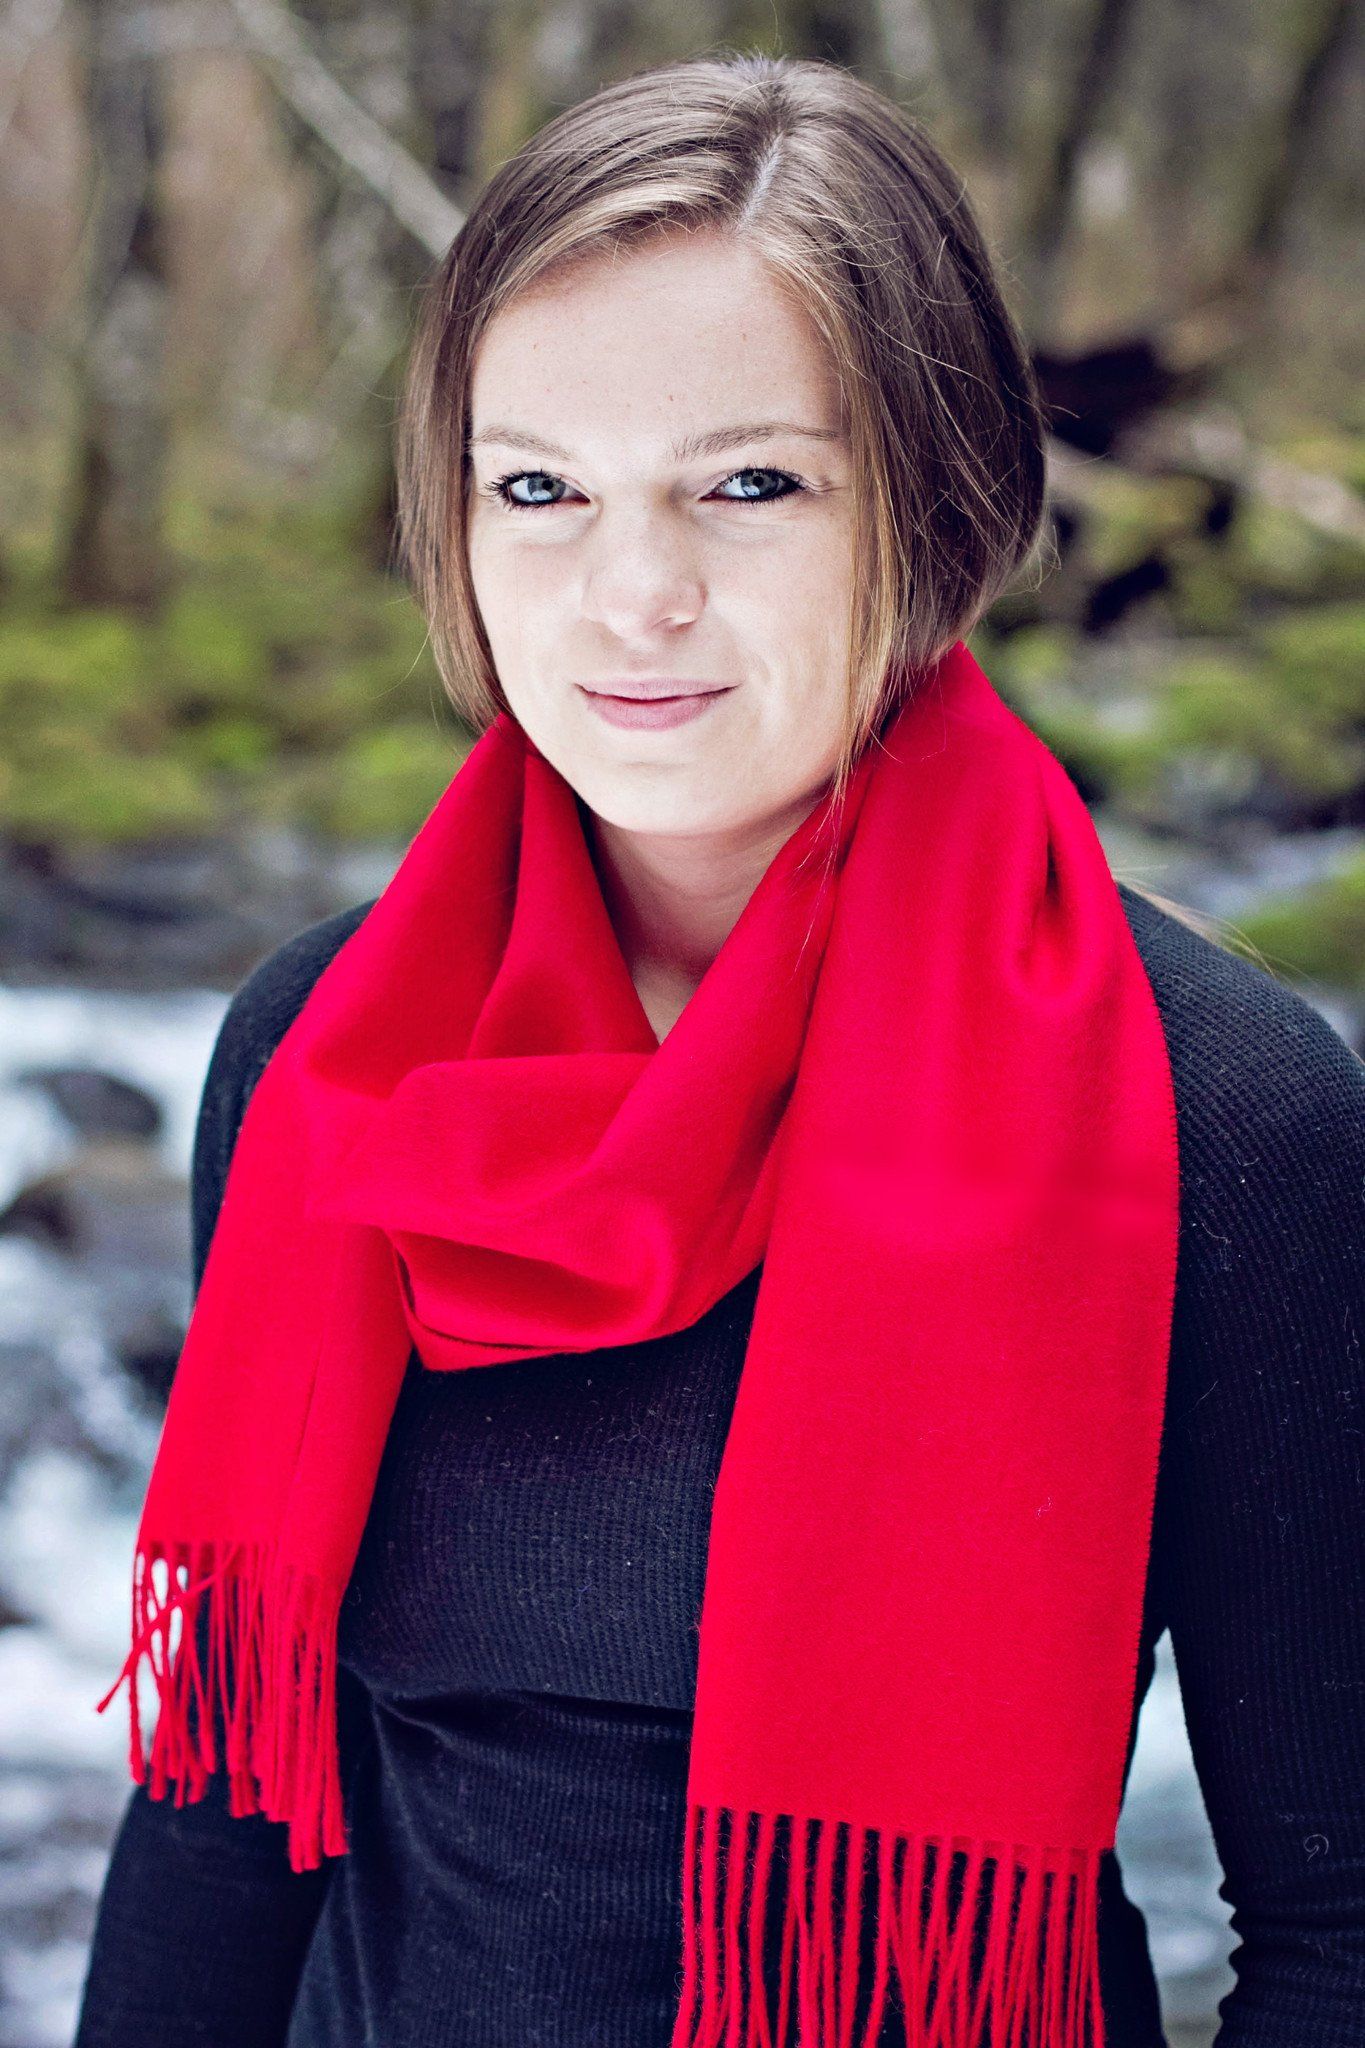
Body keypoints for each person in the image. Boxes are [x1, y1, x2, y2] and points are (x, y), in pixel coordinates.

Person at [73, 49, 1365, 2048]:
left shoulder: (1219, 1117)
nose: (629, 593)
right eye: (539, 488)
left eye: (747, 483)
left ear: (935, 508)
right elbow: (223, 1811)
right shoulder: (319, 1052)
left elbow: (1336, 1924)